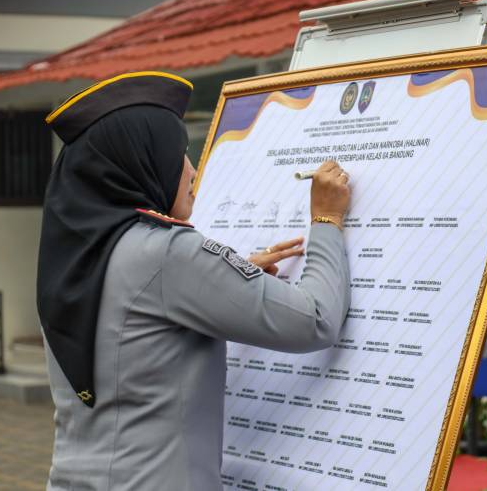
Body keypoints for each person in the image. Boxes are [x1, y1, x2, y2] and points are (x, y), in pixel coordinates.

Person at [36, 71, 351, 490]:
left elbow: (136, 315)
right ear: (142, 161)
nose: (192, 171)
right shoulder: (166, 253)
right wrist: (326, 219)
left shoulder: (76, 255)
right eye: (178, 154)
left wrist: (230, 275)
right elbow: (315, 320)